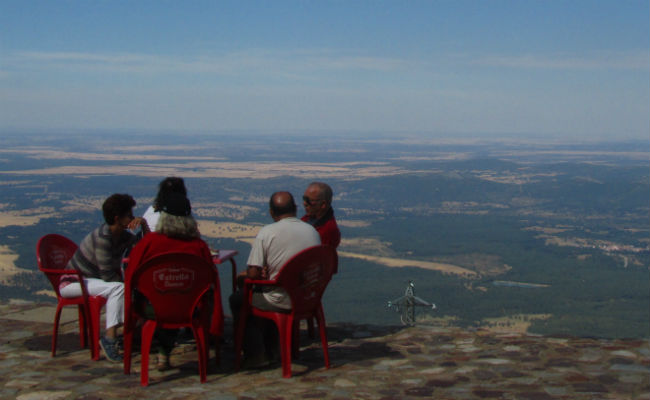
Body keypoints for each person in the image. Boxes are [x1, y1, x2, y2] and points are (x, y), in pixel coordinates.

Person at [125, 192, 215, 371]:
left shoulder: (149, 243)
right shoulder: (198, 246)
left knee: (166, 296)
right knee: (194, 295)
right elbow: (210, 278)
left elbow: (131, 274)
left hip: (154, 307)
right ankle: (207, 340)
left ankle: (160, 352)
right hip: (190, 307)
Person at [230, 191, 320, 367]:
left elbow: (253, 275)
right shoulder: (312, 231)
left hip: (280, 299)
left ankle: (255, 353)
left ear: (271, 212)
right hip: (308, 298)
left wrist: (247, 275)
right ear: (294, 209)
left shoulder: (267, 232)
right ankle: (274, 349)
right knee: (266, 292)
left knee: (239, 299)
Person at [62, 193, 149, 362]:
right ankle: (110, 338)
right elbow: (107, 275)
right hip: (73, 282)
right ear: (118, 218)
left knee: (125, 290)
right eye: (129, 215)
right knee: (118, 287)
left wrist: (144, 226)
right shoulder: (103, 238)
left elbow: (144, 246)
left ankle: (125, 332)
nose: (132, 218)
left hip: (92, 281)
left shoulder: (121, 236)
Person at [301, 182, 341, 249]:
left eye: (309, 200)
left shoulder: (328, 231)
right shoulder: (308, 218)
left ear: (323, 204)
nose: (304, 203)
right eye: (304, 199)